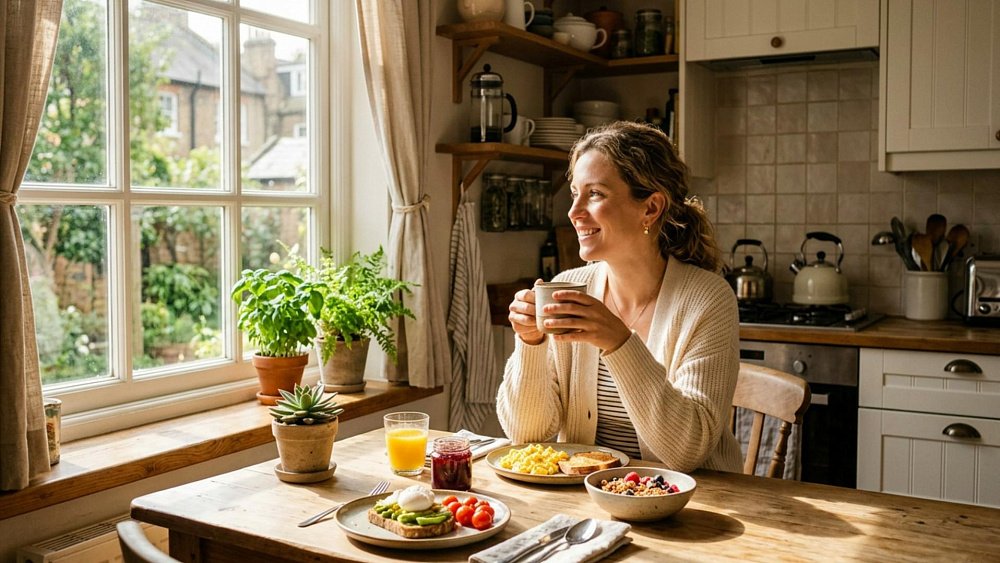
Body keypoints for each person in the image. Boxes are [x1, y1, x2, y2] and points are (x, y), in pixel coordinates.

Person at [496, 121, 742, 473]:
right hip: (590, 505)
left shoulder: (707, 300)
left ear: (651, 208)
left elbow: (687, 451)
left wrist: (619, 342)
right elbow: (526, 434)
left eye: (595, 194)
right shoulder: (568, 286)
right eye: (574, 193)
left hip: (694, 506)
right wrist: (531, 343)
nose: (574, 212)